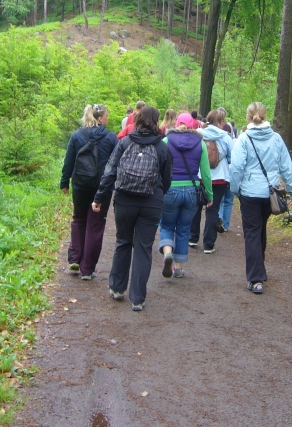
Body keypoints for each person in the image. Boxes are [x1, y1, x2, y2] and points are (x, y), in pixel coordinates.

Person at [92, 106, 172, 311]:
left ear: (137, 120)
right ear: (156, 121)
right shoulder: (162, 147)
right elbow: (166, 180)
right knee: (143, 248)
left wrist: (100, 197)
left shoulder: (125, 142)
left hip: (125, 201)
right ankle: (137, 298)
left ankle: (117, 288)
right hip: (151, 202)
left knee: (123, 242)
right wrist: (158, 195)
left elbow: (110, 171)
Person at [229, 101, 292, 294]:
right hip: (270, 193)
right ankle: (259, 269)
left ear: (248, 117)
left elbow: (236, 168)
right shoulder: (276, 138)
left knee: (252, 232)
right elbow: (286, 166)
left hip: (250, 193)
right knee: (260, 231)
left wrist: (235, 190)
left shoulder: (243, 139)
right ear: (264, 116)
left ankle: (256, 278)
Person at [60, 104, 118, 280]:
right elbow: (115, 164)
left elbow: (69, 161)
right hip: (101, 188)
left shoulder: (77, 135)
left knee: (78, 219)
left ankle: (75, 257)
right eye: (107, 115)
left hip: (80, 185)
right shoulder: (110, 138)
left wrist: (64, 182)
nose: (108, 118)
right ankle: (87, 269)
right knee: (95, 224)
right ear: (100, 118)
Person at [159, 113, 212, 279]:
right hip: (191, 191)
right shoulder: (200, 143)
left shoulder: (167, 141)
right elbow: (206, 173)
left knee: (167, 225)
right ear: (193, 125)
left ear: (176, 123)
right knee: (183, 229)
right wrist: (209, 194)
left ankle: (168, 252)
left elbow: (159, 166)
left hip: (170, 189)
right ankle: (179, 267)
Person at [189, 109, 234, 254]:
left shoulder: (198, 134)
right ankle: (208, 244)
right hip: (219, 178)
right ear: (220, 121)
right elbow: (231, 157)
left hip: (200, 176)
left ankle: (192, 238)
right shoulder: (226, 137)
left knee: (196, 207)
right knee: (213, 210)